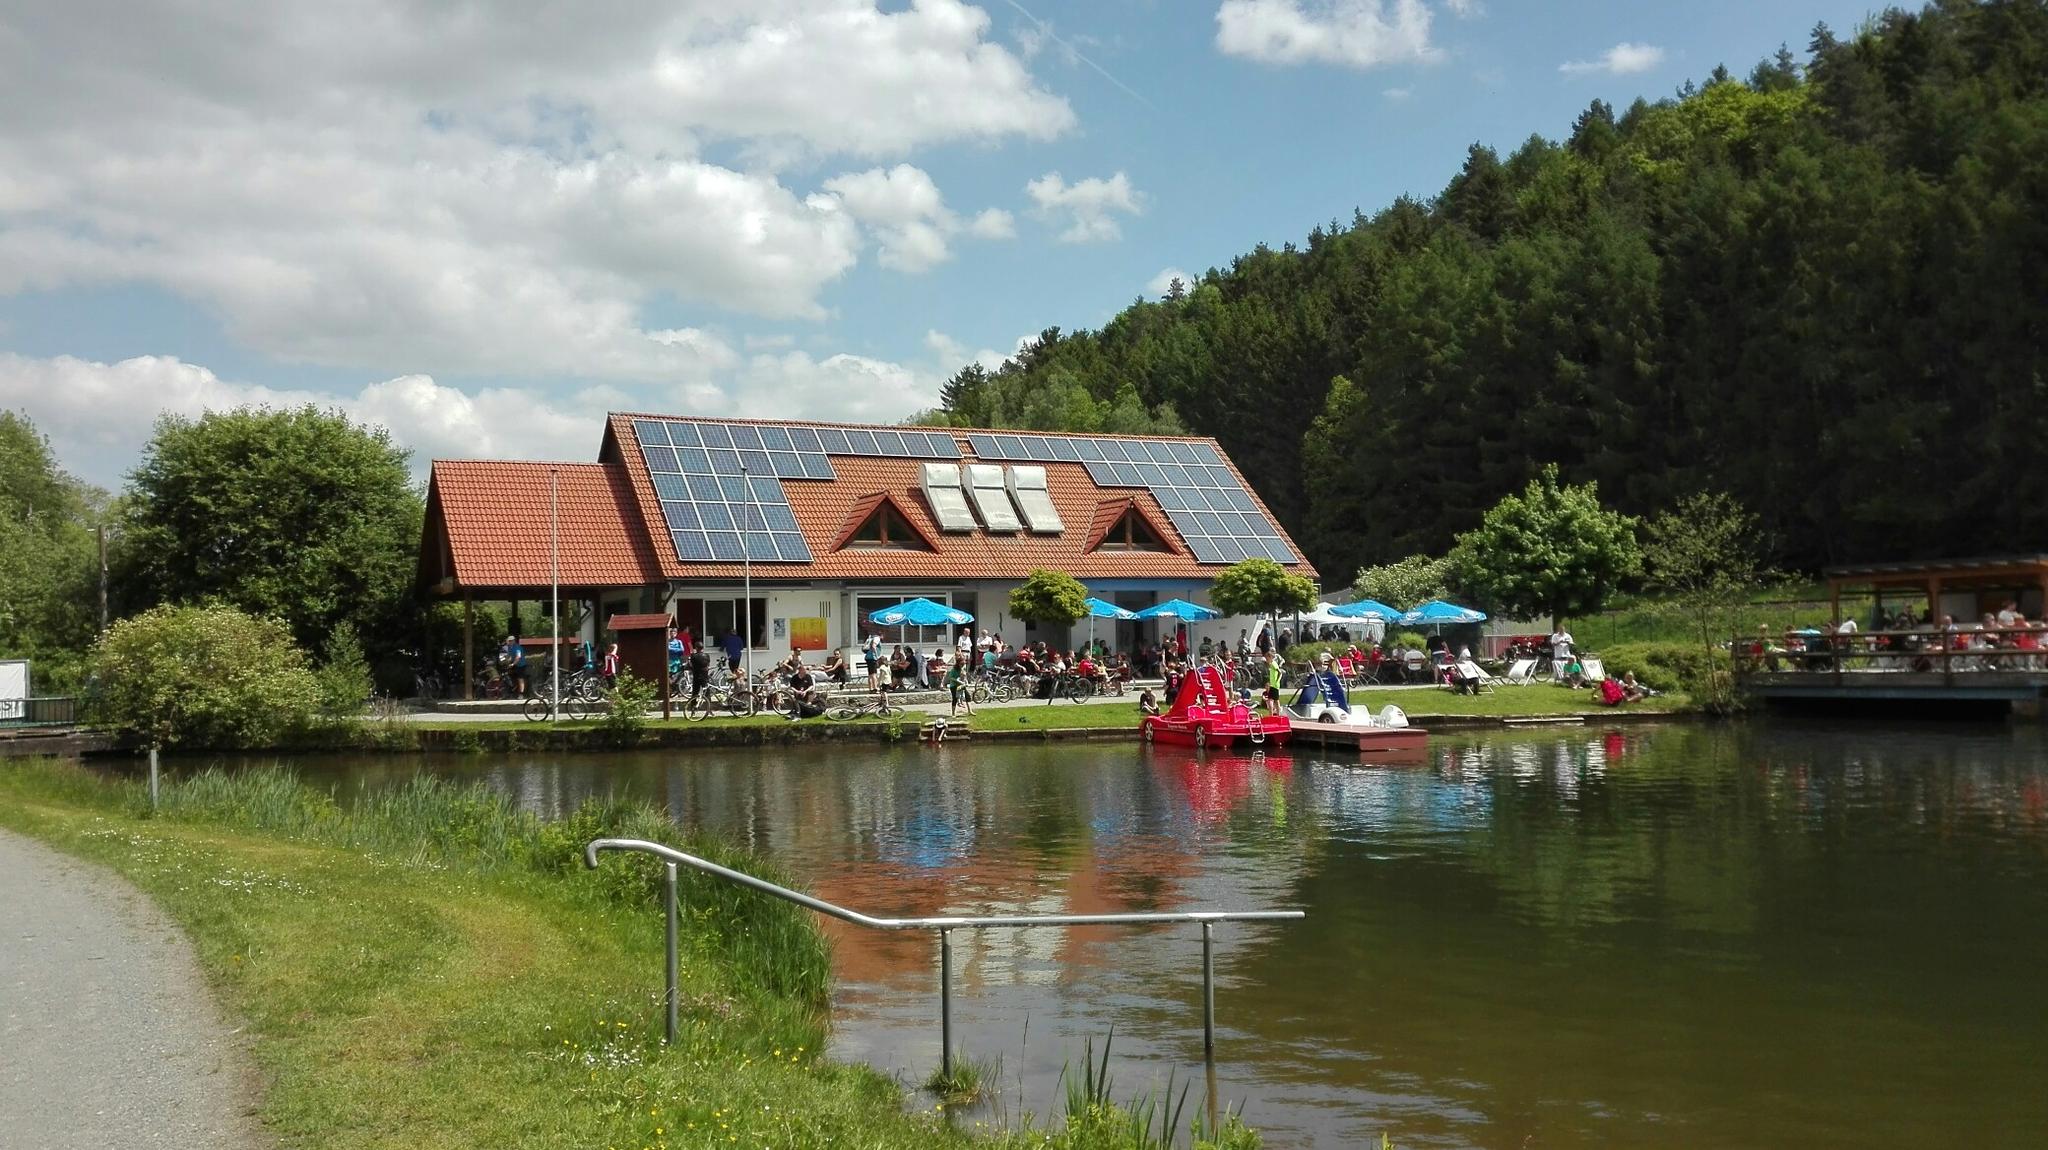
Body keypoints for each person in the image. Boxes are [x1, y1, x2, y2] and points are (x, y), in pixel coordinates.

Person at [944, 652, 972, 717]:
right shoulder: (954, 670)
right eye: (961, 664)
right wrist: (958, 682)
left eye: (963, 664)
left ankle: (970, 711)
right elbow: (951, 678)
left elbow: (964, 677)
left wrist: (965, 682)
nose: (962, 665)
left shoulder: (963, 668)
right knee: (955, 698)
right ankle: (953, 713)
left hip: (961, 685)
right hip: (954, 686)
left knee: (968, 696)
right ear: (958, 663)